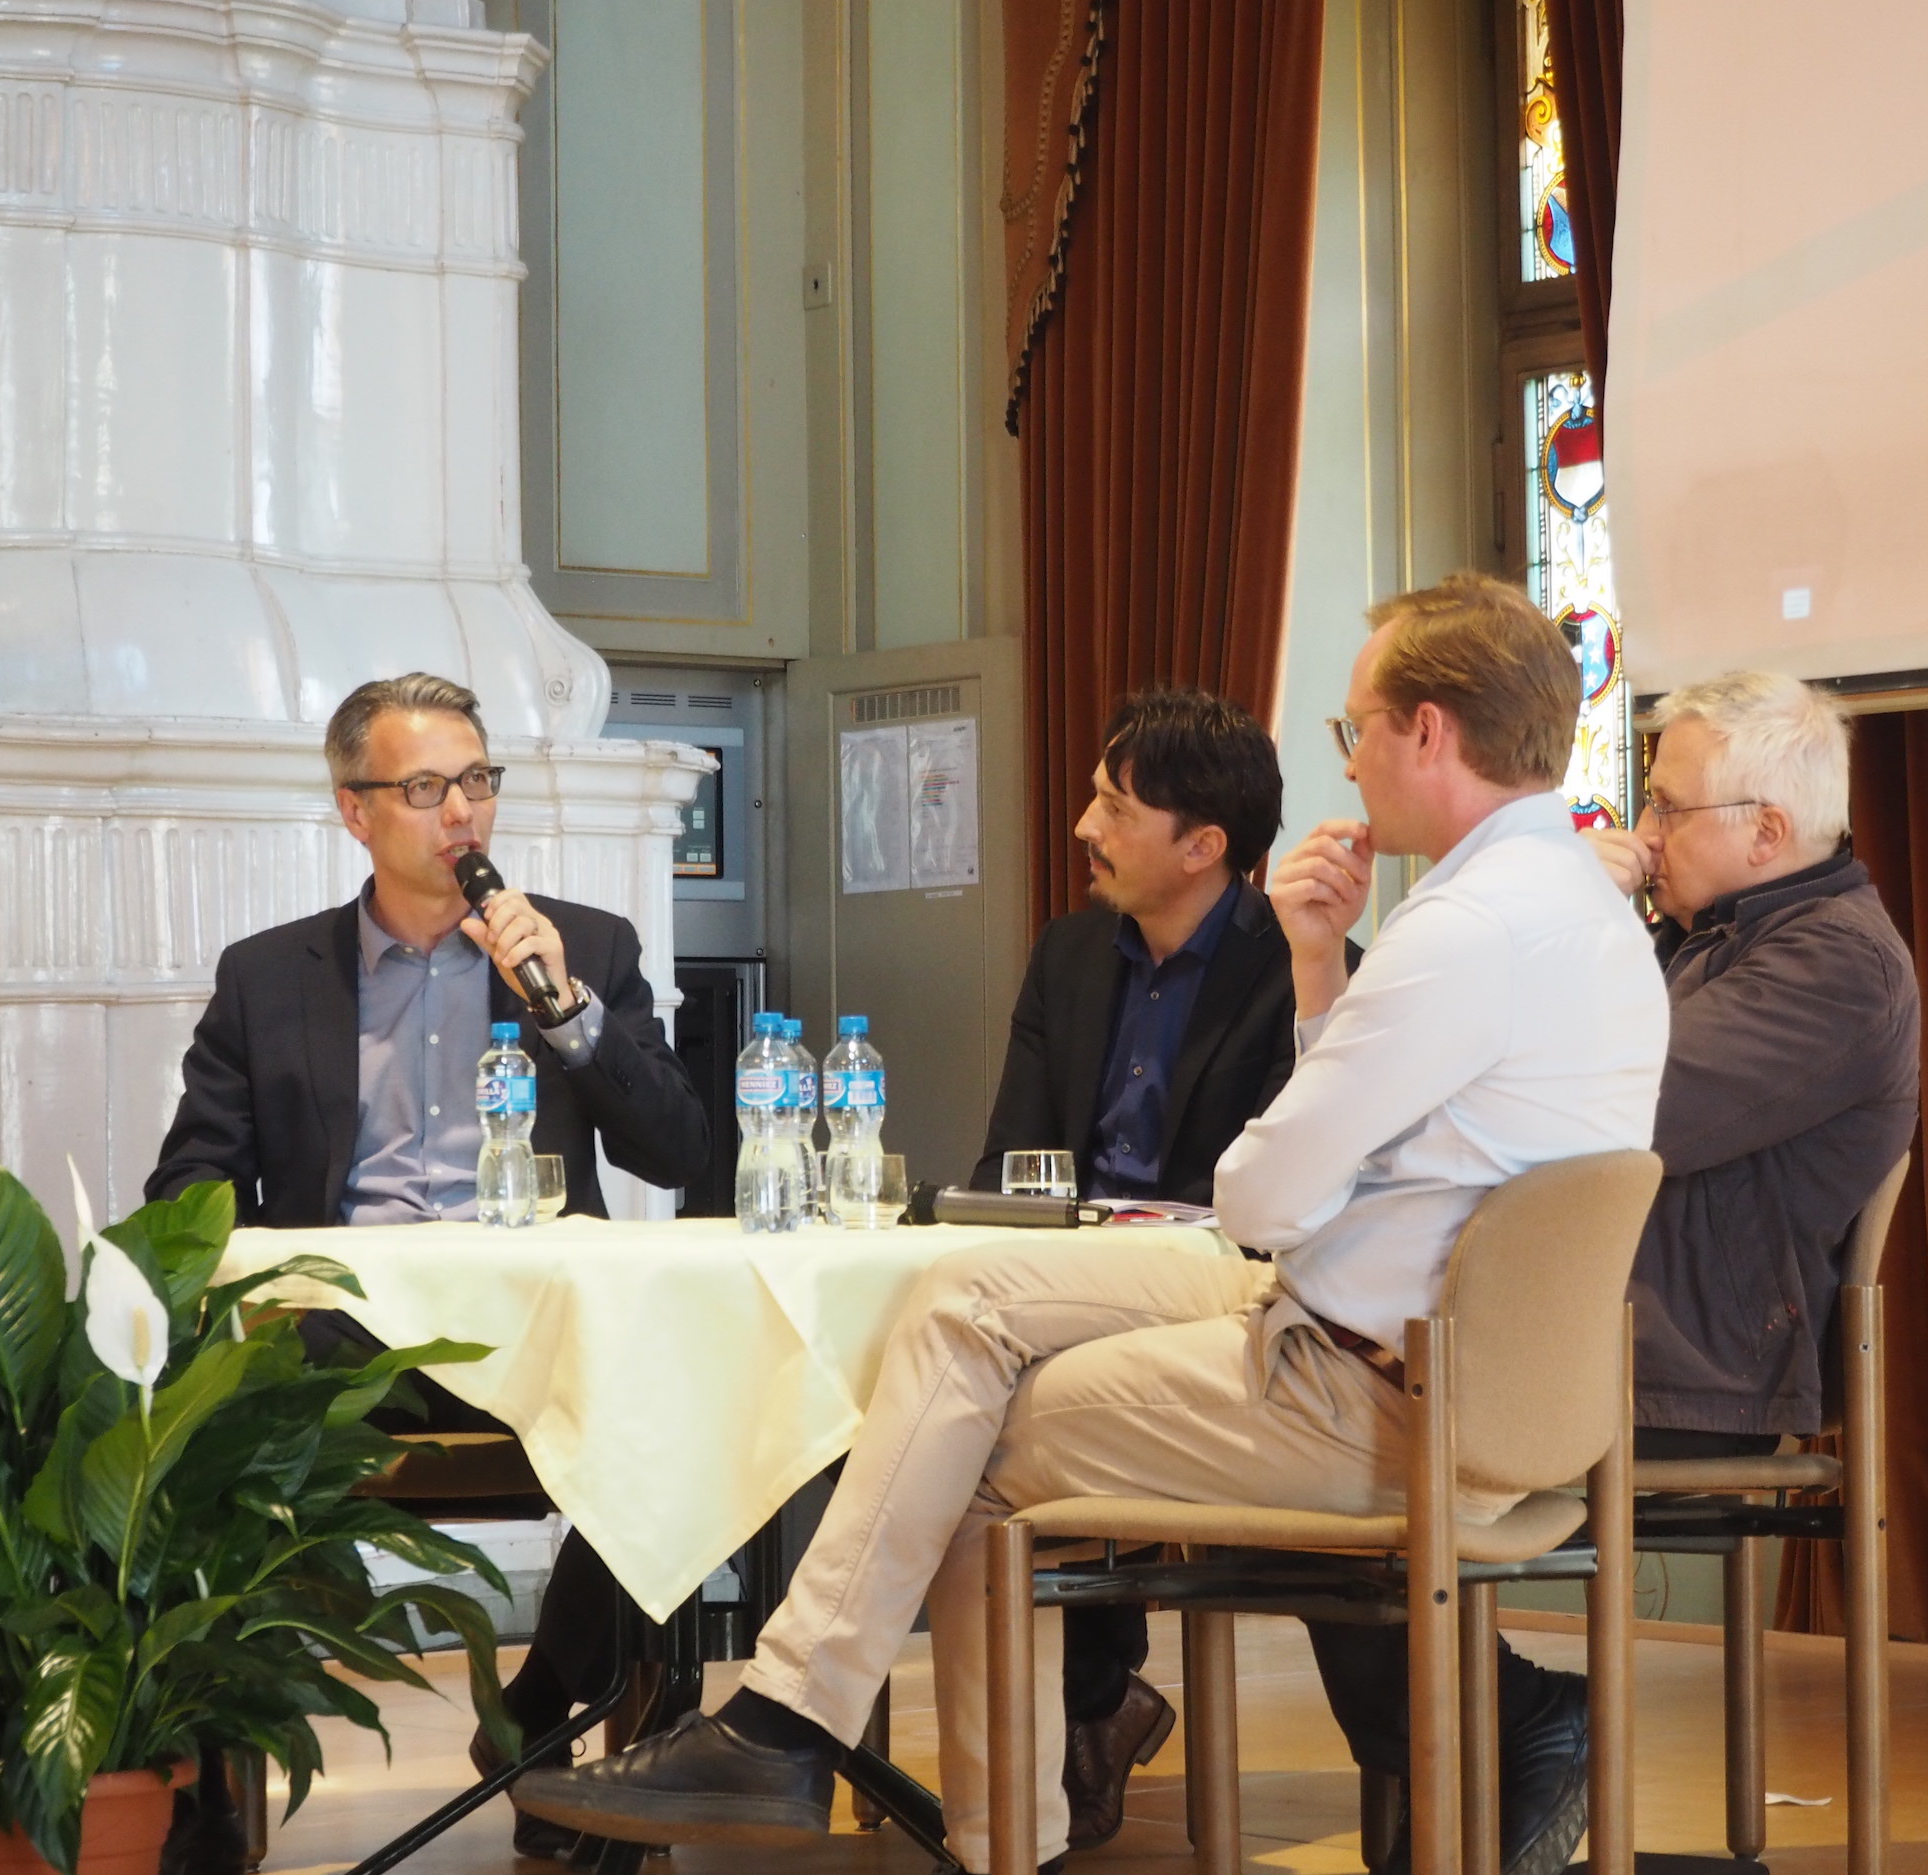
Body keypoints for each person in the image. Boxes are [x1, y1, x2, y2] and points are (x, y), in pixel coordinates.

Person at [509, 571, 1669, 1874]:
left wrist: (1308, 1126)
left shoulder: (1462, 929)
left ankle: (922, 1797)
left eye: (1356, 729)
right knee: (964, 1308)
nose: (1349, 764)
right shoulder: (1588, 916)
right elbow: (1336, 1184)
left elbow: (1262, 1195)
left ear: (1430, 730)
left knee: (966, 1433)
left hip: (1361, 1388)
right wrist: (1317, 970)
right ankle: (799, 1726)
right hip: (1463, 1373)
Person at [1311, 668, 1922, 1875]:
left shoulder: (1835, 966)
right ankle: (1484, 1768)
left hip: (1697, 1368)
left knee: (1336, 1454)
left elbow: (1606, 1109)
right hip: (1594, 1340)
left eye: (1665, 807)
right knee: (1312, 1421)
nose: (1640, 834)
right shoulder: (1709, 938)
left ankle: (1498, 1752)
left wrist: (1575, 927)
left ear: (1766, 830)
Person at [148, 672, 708, 1860]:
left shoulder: (585, 945)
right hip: (349, 1342)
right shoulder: (267, 976)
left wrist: (569, 1013)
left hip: (546, 1332)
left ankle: (557, 1718)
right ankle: (206, 1786)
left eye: (475, 782)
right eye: (423, 789)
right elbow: (185, 1198)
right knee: (191, 1412)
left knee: (678, 1391)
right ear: (355, 811)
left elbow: (679, 1146)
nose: (462, 814)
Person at [971, 688, 1297, 1850]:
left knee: (1031, 1374)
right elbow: (1009, 1165)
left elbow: (1268, 1205)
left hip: (1205, 1287)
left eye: (1112, 804)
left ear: (1204, 846)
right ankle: (1084, 1712)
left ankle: (1086, 1711)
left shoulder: (1297, 969)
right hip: (1065, 1270)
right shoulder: (1067, 953)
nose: (1081, 827)